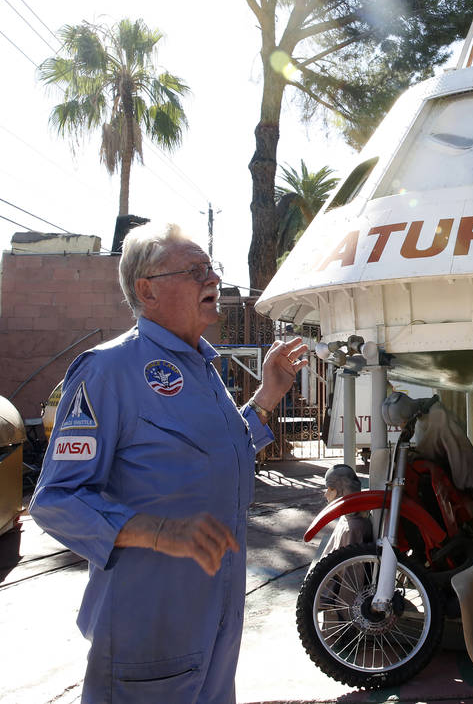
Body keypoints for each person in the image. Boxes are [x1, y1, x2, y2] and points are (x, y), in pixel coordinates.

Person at [29, 222, 307, 704]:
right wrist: (157, 532)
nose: (213, 280)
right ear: (147, 290)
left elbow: (220, 459)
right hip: (147, 624)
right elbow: (55, 500)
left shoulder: (203, 367)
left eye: (211, 268)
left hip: (217, 615)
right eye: (195, 270)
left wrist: (267, 396)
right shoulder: (108, 370)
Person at [381, 392, 473, 492]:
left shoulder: (438, 416)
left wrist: (464, 488)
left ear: (406, 414)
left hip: (464, 480)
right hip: (451, 474)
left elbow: (455, 453)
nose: (401, 427)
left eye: (402, 423)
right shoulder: (422, 414)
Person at [316, 464, 372, 560]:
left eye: (331, 489)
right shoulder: (346, 518)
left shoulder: (352, 528)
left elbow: (350, 566)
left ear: (344, 491)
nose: (326, 494)